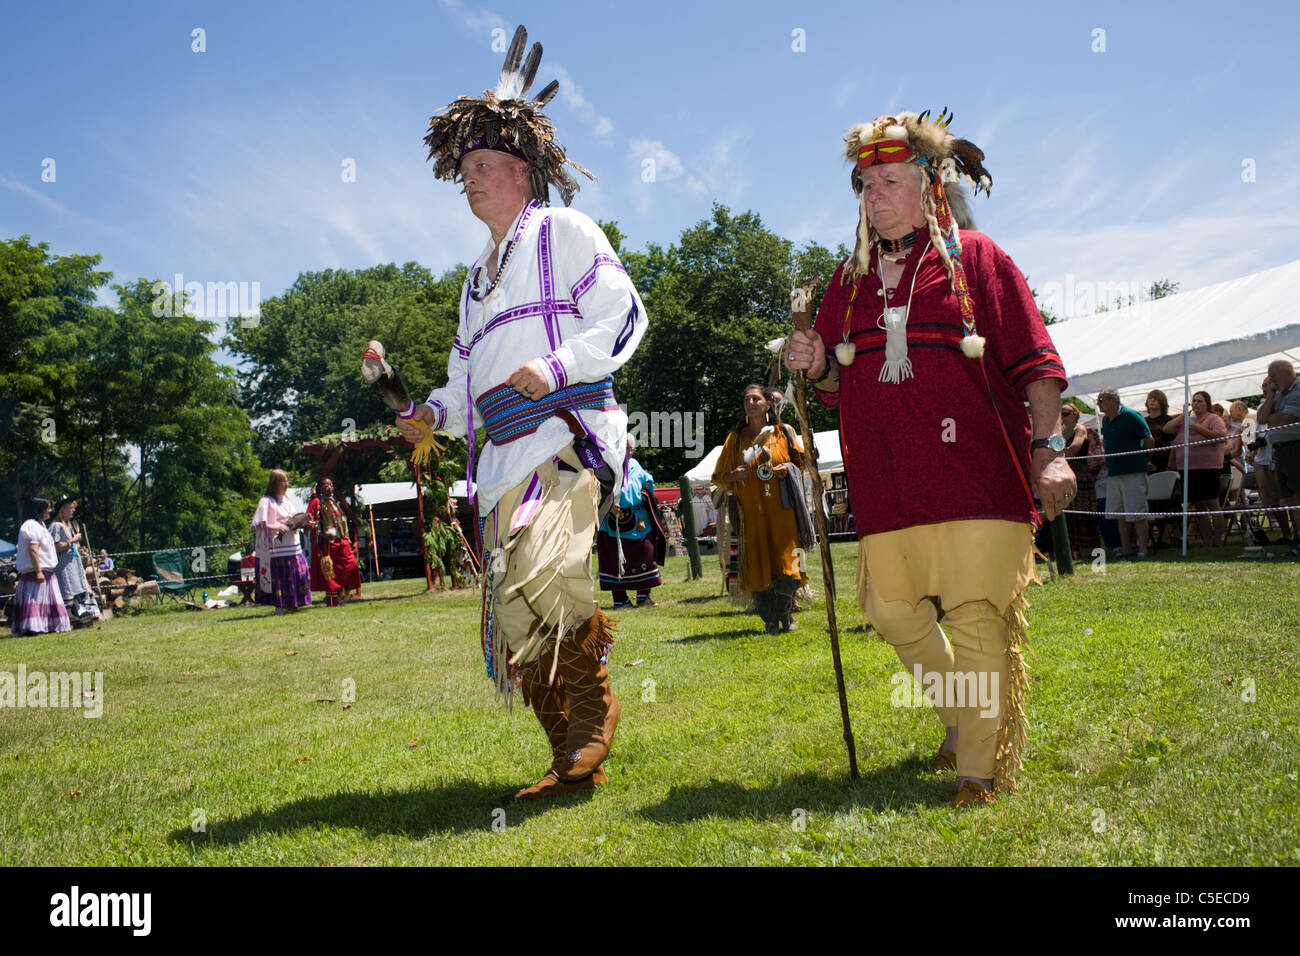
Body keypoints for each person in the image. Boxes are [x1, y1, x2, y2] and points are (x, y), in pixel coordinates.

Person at [785, 110, 1074, 806]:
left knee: (977, 614)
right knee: (891, 611)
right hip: (886, 486)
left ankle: (978, 768)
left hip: (978, 479)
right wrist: (817, 360)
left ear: (930, 188)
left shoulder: (978, 259)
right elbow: (827, 383)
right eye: (865, 186)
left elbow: (1036, 362)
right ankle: (959, 712)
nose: (873, 196)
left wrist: (1051, 449)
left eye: (889, 181)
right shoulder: (849, 279)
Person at [397, 26, 647, 801]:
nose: (467, 181)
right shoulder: (475, 279)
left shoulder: (561, 233)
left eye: (480, 167)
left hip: (567, 439)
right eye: (464, 169)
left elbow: (626, 314)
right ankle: (570, 754)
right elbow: (462, 376)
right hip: (501, 460)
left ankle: (595, 704)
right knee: (514, 619)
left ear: (519, 170)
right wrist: (429, 415)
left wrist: (560, 364)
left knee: (548, 572)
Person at [712, 385, 806, 634]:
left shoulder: (782, 433)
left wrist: (787, 469)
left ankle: (785, 614)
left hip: (782, 513)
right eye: (746, 399)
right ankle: (770, 620)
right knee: (758, 567)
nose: (750, 402)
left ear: (767, 404)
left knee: (789, 566)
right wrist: (733, 474)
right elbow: (718, 477)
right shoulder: (735, 439)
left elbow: (802, 464)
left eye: (756, 398)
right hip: (751, 514)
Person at [597, 436, 666, 609]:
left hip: (638, 521)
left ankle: (643, 596)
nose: (625, 451)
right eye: (621, 446)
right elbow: (598, 487)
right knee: (615, 559)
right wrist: (609, 504)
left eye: (628, 448)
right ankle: (620, 599)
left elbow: (648, 482)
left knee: (646, 553)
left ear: (633, 450)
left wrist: (644, 494)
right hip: (612, 520)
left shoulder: (635, 465)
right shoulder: (606, 465)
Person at [1164, 391, 1228, 547]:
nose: (1196, 403)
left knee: (1212, 503)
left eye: (1200, 400)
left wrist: (1198, 428)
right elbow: (1167, 429)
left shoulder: (1214, 419)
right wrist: (1183, 416)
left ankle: (1218, 540)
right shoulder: (1185, 421)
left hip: (1208, 467)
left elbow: (1221, 437)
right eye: (1194, 401)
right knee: (1199, 505)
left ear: (1207, 403)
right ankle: (1206, 541)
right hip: (1188, 468)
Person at [1096, 389, 1153, 560]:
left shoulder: (1132, 416)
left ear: (1113, 399)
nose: (1098, 403)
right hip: (1114, 473)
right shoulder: (1105, 420)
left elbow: (1149, 440)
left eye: (1101, 400)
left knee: (1137, 513)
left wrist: (1143, 458)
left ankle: (1143, 549)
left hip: (1133, 471)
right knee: (1119, 514)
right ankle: (1126, 549)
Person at [251, 469, 312, 613]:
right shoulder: (266, 501)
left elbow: (293, 517)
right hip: (276, 548)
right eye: (282, 481)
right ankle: (279, 606)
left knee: (299, 572)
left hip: (292, 545)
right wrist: (277, 526)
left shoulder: (287, 500)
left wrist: (298, 523)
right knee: (279, 576)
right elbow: (260, 523)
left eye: (287, 481)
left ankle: (293, 603)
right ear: (274, 483)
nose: (286, 484)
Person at [1257, 360, 1300, 556]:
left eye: (1273, 376)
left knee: (1298, 497)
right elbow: (1261, 418)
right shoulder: (1278, 394)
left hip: (1295, 448)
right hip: (1281, 451)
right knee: (1290, 499)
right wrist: (1272, 395)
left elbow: (1284, 420)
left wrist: (1273, 418)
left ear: (1286, 373)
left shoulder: (1298, 389)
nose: (1270, 381)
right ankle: (1297, 540)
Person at [12, 498, 71, 636]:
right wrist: (38, 572)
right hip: (35, 571)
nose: (50, 510)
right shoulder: (31, 526)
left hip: (46, 571)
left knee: (47, 600)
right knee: (35, 600)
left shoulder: (41, 526)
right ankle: (32, 627)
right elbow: (33, 549)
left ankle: (49, 625)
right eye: (48, 508)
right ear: (40, 510)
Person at [307, 477, 363, 605]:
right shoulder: (316, 502)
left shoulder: (333, 502)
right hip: (327, 544)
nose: (329, 487)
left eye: (331, 485)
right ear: (320, 488)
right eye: (325, 485)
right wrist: (321, 533)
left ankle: (342, 594)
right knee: (330, 571)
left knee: (351, 566)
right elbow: (309, 522)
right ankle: (332, 599)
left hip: (341, 542)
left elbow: (340, 521)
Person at [48, 496, 100, 624]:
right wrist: (73, 541)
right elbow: (55, 547)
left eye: (73, 508)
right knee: (67, 592)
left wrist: (75, 544)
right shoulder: (56, 526)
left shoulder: (67, 525)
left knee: (78, 590)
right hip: (63, 568)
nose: (73, 510)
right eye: (70, 508)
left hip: (73, 566)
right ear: (62, 509)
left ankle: (83, 618)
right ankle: (69, 618)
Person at [1059, 404, 1099, 558]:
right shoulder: (1059, 431)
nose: (1062, 416)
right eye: (1060, 413)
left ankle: (1094, 548)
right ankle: (1072, 548)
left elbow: (1075, 447)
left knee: (1084, 510)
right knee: (1068, 510)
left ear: (1075, 414)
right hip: (1064, 472)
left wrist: (1058, 456)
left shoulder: (1080, 429)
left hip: (1080, 474)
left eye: (1066, 413)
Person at [1144, 390, 1175, 474]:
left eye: (1155, 398)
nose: (1152, 400)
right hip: (1146, 463)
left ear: (1162, 402)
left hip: (1165, 463)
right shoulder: (1143, 421)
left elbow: (1174, 443)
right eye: (1150, 398)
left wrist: (1170, 465)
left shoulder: (1169, 420)